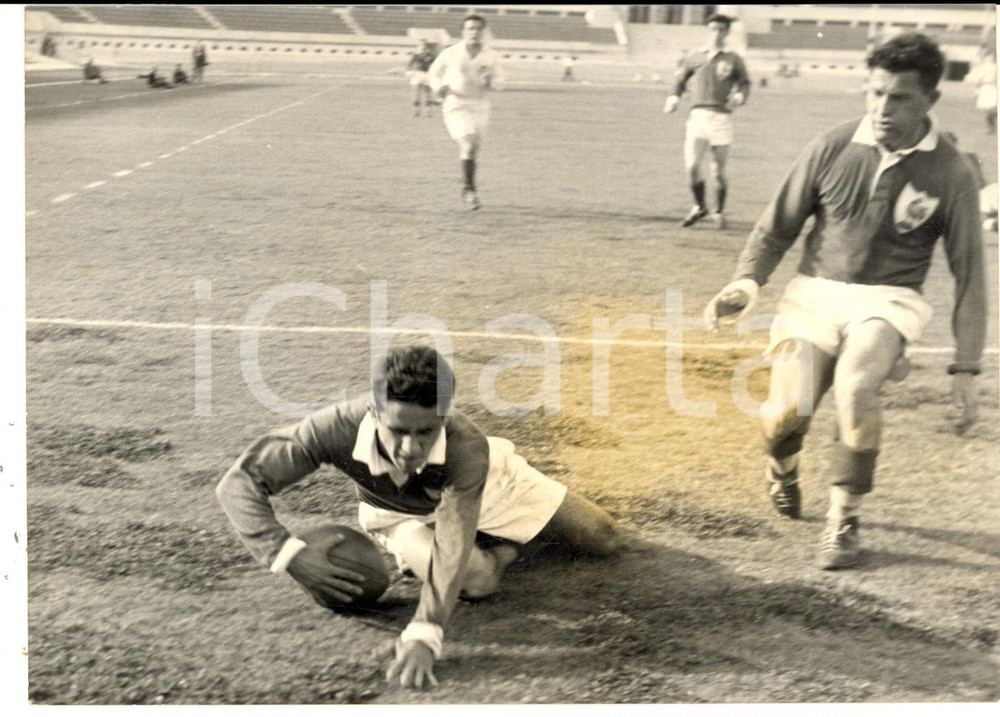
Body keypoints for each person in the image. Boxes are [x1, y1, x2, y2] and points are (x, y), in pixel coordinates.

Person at [703, 33, 986, 570]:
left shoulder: (952, 172)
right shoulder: (832, 145)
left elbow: (970, 274)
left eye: (899, 98)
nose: (882, 108)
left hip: (889, 299)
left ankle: (843, 519)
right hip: (814, 293)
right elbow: (777, 226)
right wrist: (746, 282)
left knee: (856, 388)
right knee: (785, 414)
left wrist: (966, 367)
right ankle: (782, 469)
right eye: (875, 93)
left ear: (930, 99)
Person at [216, 344, 619, 690]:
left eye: (425, 432)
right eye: (398, 430)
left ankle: (502, 533)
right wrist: (285, 552)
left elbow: (454, 534)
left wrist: (424, 632)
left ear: (444, 416)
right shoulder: (335, 427)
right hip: (395, 513)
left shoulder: (466, 446)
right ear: (374, 411)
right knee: (478, 579)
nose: (410, 448)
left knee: (602, 536)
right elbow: (240, 481)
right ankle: (508, 548)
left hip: (483, 489)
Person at [665, 13, 751, 229]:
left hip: (721, 119)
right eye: (713, 29)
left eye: (721, 29)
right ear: (707, 31)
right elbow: (680, 80)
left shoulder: (733, 59)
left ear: (727, 33)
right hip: (697, 118)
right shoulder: (696, 57)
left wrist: (740, 96)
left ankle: (718, 211)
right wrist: (673, 97)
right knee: (692, 167)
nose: (717, 33)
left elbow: (745, 82)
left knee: (717, 171)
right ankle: (699, 206)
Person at [427, 14, 503, 211]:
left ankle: (468, 186)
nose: (474, 32)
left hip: (480, 105)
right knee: (468, 146)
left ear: (483, 31)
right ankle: (470, 191)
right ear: (463, 31)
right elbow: (434, 73)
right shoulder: (451, 53)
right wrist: (438, 88)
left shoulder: (491, 55)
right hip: (456, 103)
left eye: (478, 28)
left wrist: (490, 81)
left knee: (473, 149)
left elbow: (500, 82)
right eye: (470, 28)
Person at [966, 47, 997, 134]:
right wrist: (977, 89)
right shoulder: (983, 67)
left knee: (992, 108)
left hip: (993, 88)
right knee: (988, 110)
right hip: (985, 88)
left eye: (991, 56)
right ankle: (991, 128)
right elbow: (979, 79)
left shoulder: (995, 67)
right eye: (988, 56)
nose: (989, 58)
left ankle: (991, 127)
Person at [406, 39, 436, 117]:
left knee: (427, 93)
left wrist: (433, 74)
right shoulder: (416, 55)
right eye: (420, 45)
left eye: (424, 45)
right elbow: (410, 64)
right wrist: (409, 71)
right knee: (416, 92)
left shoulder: (430, 56)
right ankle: (416, 111)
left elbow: (435, 65)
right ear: (418, 46)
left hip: (426, 75)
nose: (422, 46)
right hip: (417, 74)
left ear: (426, 46)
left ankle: (428, 111)